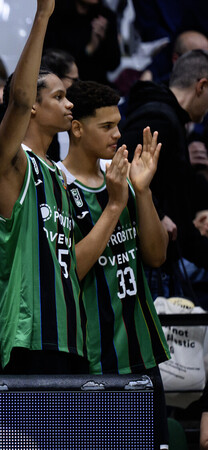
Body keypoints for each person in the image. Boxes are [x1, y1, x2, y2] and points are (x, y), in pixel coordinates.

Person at [0, 0, 120, 374]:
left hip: (71, 336)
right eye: (58, 97)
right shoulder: (13, 162)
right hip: (29, 337)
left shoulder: (58, 175)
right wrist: (43, 15)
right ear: (32, 107)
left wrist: (115, 205)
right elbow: (18, 99)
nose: (69, 104)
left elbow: (72, 265)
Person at [57, 80, 170, 448]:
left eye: (118, 124)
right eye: (106, 126)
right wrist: (116, 204)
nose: (118, 134)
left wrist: (143, 190)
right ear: (77, 128)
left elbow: (156, 255)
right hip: (93, 359)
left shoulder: (123, 173)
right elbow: (70, 271)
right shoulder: (57, 184)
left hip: (141, 348)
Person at [119, 49, 208, 297]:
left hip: (159, 262)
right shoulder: (158, 120)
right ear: (201, 86)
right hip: (150, 267)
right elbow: (118, 168)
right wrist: (158, 214)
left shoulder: (167, 119)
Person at [43, 0, 120, 85]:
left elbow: (113, 64)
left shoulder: (105, 16)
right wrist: (89, 49)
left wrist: (105, 41)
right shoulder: (56, 15)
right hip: (65, 84)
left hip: (97, 84)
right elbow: (52, 62)